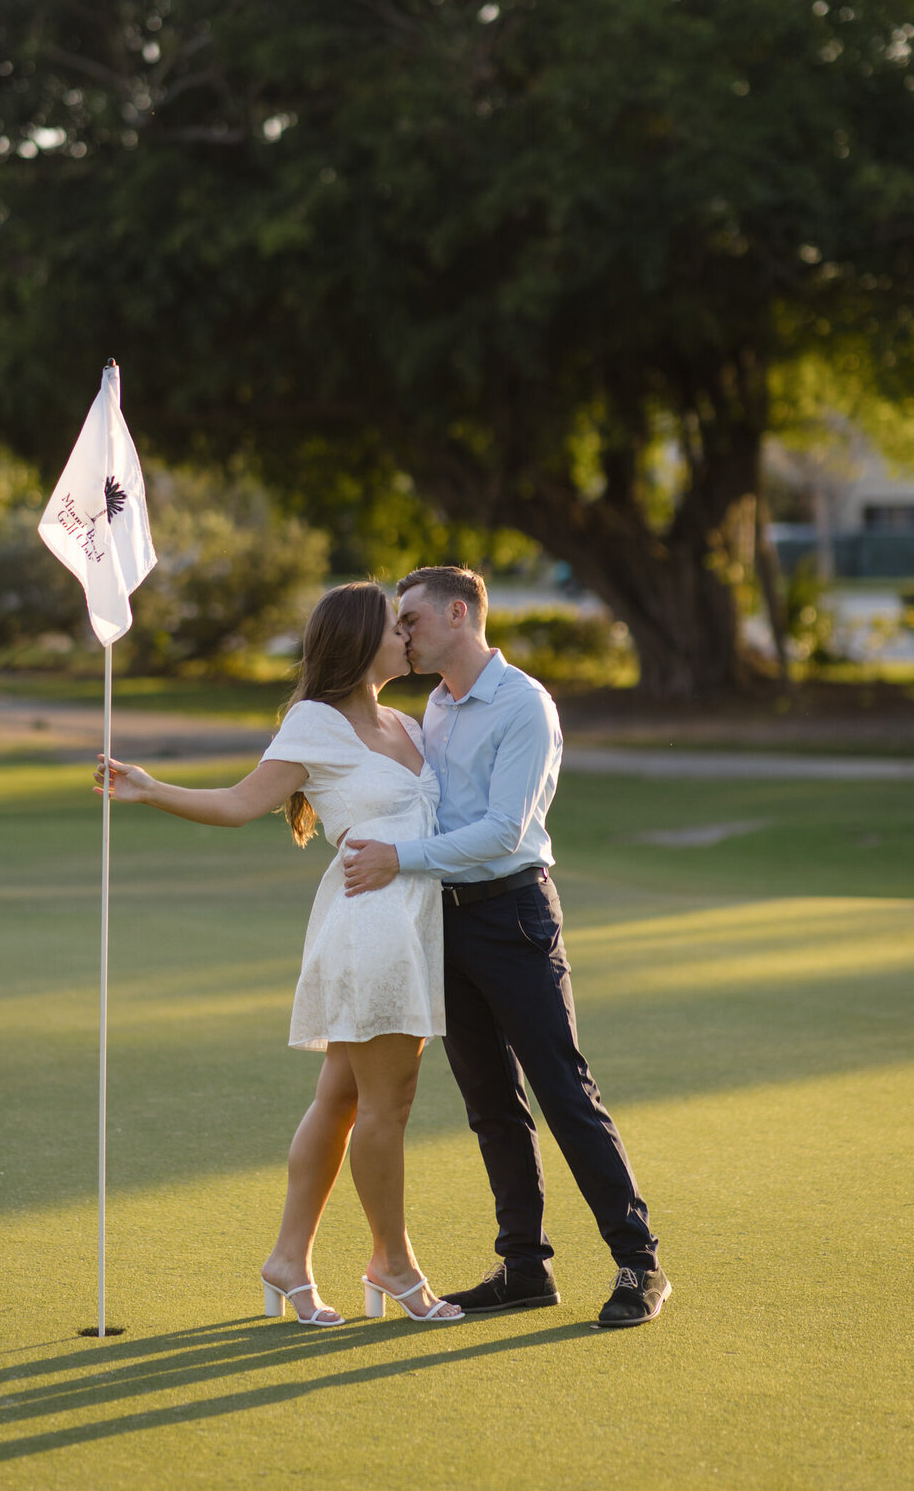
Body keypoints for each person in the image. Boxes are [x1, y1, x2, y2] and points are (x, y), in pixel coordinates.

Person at [94, 581, 462, 1329]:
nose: (408, 637)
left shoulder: (410, 724)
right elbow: (239, 803)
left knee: (342, 1097)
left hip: (413, 925)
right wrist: (149, 787)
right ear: (361, 643)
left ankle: (288, 1261)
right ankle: (392, 1264)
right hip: (373, 933)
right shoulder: (315, 724)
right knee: (387, 1106)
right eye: (396, 628)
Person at [343, 566, 671, 1327]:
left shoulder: (524, 704)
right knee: (490, 1102)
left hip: (515, 915)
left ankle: (638, 1263)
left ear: (459, 614)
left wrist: (399, 860)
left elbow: (504, 832)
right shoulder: (434, 703)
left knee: (562, 1090)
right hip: (445, 920)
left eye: (414, 618)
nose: (404, 633)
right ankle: (525, 1267)